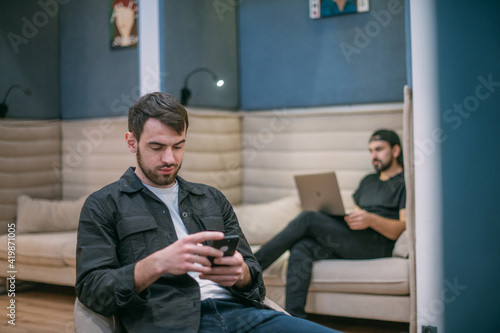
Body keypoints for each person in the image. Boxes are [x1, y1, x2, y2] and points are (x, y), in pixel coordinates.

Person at [75, 92, 340, 333]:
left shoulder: (211, 199)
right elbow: (92, 291)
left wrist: (241, 274)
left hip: (243, 316)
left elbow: (255, 282)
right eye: (157, 147)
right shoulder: (104, 205)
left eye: (178, 146)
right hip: (171, 323)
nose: (170, 158)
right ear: (131, 142)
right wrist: (157, 264)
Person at [254, 129, 406, 318]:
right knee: (302, 246)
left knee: (308, 218)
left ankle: (253, 265)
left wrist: (371, 219)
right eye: (371, 151)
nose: (374, 156)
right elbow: (359, 214)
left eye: (379, 149)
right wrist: (347, 218)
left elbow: (402, 228)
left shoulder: (405, 183)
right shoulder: (368, 181)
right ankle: (296, 319)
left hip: (377, 244)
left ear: (396, 151)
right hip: (354, 239)